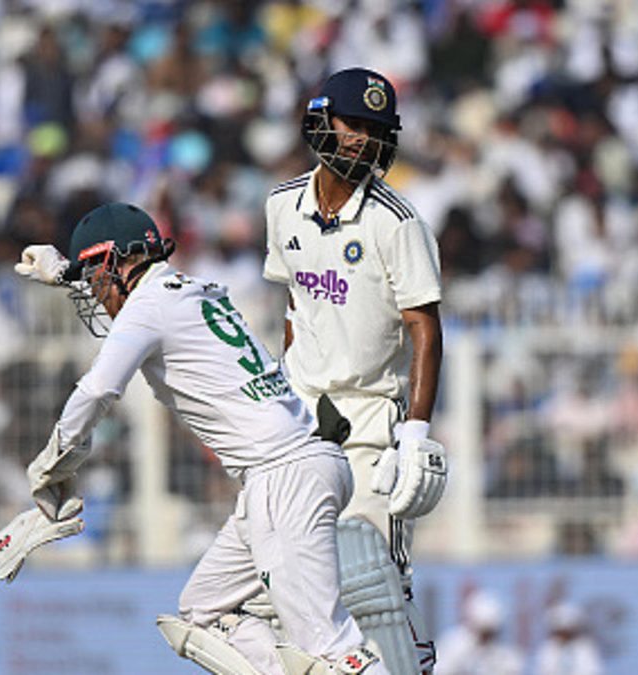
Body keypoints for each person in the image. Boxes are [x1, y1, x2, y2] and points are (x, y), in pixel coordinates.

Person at [13, 202, 389, 675]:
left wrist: (52, 464)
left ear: (118, 262)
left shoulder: (148, 306)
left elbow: (97, 390)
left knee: (332, 650)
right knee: (202, 615)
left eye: (95, 277)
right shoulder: (188, 289)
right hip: (297, 467)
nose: (95, 292)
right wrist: (68, 272)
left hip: (282, 477)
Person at [261, 67, 446, 675]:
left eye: (375, 129)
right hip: (301, 418)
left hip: (370, 420)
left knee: (376, 584)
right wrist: (282, 399)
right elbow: (294, 308)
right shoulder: (282, 205)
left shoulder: (397, 221)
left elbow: (425, 328)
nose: (364, 139)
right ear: (322, 121)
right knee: (295, 580)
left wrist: (414, 433)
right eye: (353, 124)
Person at [434, 590, 524, 675]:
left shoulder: (504, 655)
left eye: (490, 633)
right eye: (483, 632)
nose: (486, 637)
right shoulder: (453, 645)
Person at [532, 602, 603, 675]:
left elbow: (593, 670)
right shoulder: (548, 648)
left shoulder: (585, 648)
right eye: (560, 630)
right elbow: (542, 669)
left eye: (567, 630)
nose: (563, 634)